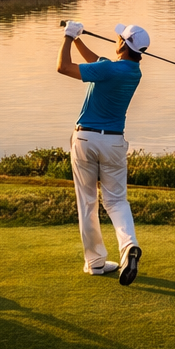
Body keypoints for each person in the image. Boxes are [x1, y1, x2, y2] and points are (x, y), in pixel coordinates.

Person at [58, 20, 148, 285]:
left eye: (120, 38)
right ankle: (129, 247)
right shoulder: (133, 72)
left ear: (124, 45)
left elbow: (63, 67)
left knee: (88, 201)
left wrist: (67, 36)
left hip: (86, 139)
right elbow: (98, 62)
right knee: (117, 201)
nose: (116, 39)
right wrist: (78, 39)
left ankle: (95, 262)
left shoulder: (109, 69)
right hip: (114, 143)